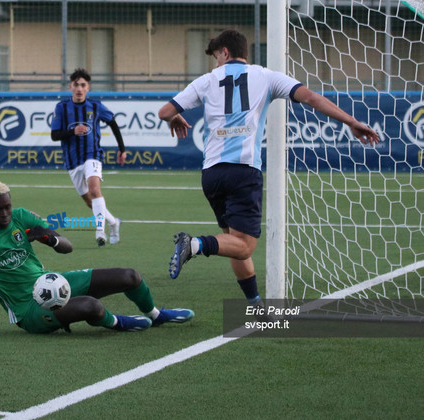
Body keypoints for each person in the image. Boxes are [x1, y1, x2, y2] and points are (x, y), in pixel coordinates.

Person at [158, 29, 380, 307]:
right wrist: (350, 121)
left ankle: (255, 305)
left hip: (212, 174)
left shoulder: (206, 81)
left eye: (216, 57)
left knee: (234, 245)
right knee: (245, 246)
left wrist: (175, 118)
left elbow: (165, 111)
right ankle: (194, 245)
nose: (215, 64)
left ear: (225, 53)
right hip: (243, 171)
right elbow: (310, 97)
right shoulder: (265, 76)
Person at [0, 182, 193, 335]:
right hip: (27, 311)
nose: (4, 214)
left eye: (7, 207)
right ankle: (117, 323)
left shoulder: (22, 217)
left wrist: (49, 237)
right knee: (92, 306)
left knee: (130, 276)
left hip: (53, 283)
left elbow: (65, 248)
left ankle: (155, 315)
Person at [50, 68, 125, 246]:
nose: (79, 88)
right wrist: (72, 131)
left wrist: (122, 149)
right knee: (88, 200)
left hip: (93, 155)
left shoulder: (96, 106)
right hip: (72, 160)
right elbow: (54, 135)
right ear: (70, 86)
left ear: (88, 88)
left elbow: (113, 123)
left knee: (94, 188)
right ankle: (113, 222)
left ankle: (100, 231)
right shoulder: (62, 107)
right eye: (76, 85)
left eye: (83, 85)